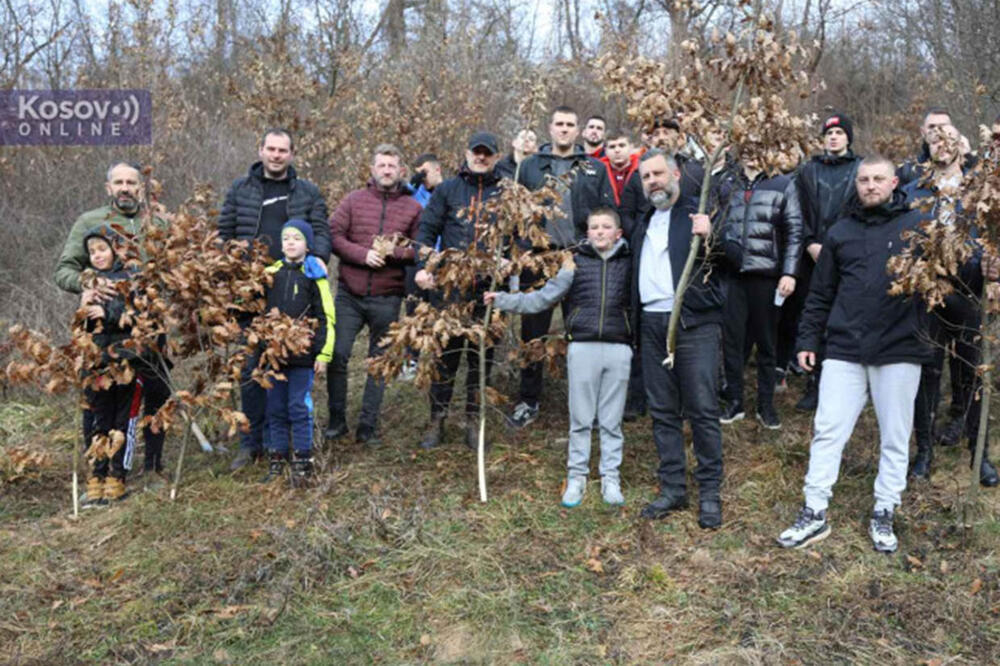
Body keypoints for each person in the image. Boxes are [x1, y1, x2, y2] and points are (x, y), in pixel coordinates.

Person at [777, 156, 932, 553]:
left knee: (895, 436)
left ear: (894, 182)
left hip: (899, 348)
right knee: (828, 430)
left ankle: (885, 510)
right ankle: (814, 511)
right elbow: (821, 293)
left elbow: (944, 282)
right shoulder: (840, 232)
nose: (870, 186)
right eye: (863, 179)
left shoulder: (917, 227)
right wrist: (808, 340)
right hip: (844, 347)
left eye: (878, 179)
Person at [485, 207, 633, 507]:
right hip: (581, 347)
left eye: (606, 227)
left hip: (619, 348)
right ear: (587, 233)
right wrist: (503, 300)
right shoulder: (573, 263)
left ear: (618, 233)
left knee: (611, 419)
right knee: (580, 418)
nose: (600, 232)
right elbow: (542, 297)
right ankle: (576, 477)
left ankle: (610, 477)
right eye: (594, 227)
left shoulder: (631, 263)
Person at [218, 128, 331, 471]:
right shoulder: (241, 189)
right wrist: (231, 270)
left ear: (292, 154)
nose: (277, 155)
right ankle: (251, 442)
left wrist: (320, 257)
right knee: (252, 368)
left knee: (290, 367)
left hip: (294, 288)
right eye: (271, 149)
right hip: (251, 292)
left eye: (283, 150)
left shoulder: (306, 191)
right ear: (261, 150)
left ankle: (284, 441)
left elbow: (322, 230)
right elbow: (224, 233)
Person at [54, 161, 171, 484]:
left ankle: (153, 467)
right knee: (99, 398)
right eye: (118, 182)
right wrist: (88, 284)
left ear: (140, 188)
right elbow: (64, 270)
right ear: (108, 188)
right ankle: (100, 470)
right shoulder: (90, 222)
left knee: (156, 393)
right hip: (103, 331)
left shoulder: (158, 222)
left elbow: (176, 268)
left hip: (149, 324)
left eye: (131, 182)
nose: (124, 188)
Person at [633, 149, 726, 529]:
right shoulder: (643, 222)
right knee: (662, 411)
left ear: (674, 174)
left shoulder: (698, 214)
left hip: (693, 324)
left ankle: (709, 493)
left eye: (658, 173)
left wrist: (711, 235)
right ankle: (673, 488)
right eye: (645, 177)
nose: (652, 181)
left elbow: (734, 258)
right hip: (651, 323)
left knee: (702, 409)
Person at [509, 105, 616, 429]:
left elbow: (608, 211)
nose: (565, 129)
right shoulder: (529, 166)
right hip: (539, 261)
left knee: (583, 333)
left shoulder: (593, 167)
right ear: (550, 128)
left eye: (571, 124)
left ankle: (587, 404)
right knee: (533, 332)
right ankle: (528, 399)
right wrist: (520, 255)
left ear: (579, 129)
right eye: (560, 124)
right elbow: (515, 213)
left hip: (579, 259)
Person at [905, 125, 998, 486]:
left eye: (949, 140)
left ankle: (980, 456)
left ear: (962, 145)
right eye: (933, 140)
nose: (941, 146)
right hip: (927, 295)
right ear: (927, 147)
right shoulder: (913, 191)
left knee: (975, 375)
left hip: (971, 292)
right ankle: (924, 452)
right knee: (927, 374)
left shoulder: (981, 192)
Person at [326, 144, 422, 444]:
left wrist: (393, 252)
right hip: (349, 294)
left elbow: (420, 249)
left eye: (392, 166)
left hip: (387, 296)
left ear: (401, 171)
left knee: (378, 362)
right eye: (381, 165)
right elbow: (333, 235)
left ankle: (368, 426)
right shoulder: (354, 200)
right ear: (372, 169)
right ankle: (337, 420)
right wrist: (362, 255)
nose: (386, 171)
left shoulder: (413, 208)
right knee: (338, 355)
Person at [413, 131, 504, 450]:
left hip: (489, 292)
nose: (481, 157)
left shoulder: (507, 192)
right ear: (466, 154)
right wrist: (423, 267)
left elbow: (521, 235)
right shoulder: (449, 190)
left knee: (481, 360)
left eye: (487, 153)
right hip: (449, 290)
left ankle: (473, 423)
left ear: (496, 156)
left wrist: (509, 260)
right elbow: (426, 230)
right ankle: (437, 421)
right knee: (445, 359)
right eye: (476, 152)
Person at [783, 112, 862, 410]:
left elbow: (860, 209)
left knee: (843, 319)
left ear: (848, 138)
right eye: (829, 133)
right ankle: (813, 383)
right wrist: (809, 242)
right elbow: (796, 211)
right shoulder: (807, 171)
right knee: (812, 316)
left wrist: (837, 245)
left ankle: (842, 384)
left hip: (846, 254)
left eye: (840, 132)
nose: (833, 137)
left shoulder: (859, 169)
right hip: (811, 256)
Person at [718, 156, 803, 429]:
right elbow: (717, 223)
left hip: (766, 276)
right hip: (732, 274)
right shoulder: (727, 182)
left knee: (767, 344)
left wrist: (789, 272)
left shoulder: (782, 183)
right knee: (731, 343)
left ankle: (765, 406)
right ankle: (734, 402)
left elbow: (794, 230)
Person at [259, 220, 335, 484]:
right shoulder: (270, 273)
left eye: (297, 238)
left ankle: (303, 459)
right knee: (275, 407)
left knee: (298, 405)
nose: (291, 242)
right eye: (286, 238)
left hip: (304, 357)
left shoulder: (314, 274)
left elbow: (327, 317)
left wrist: (323, 355)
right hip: (274, 356)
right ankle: (278, 457)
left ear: (308, 244)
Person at [77, 226, 146, 506]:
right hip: (96, 363)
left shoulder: (130, 278)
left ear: (115, 249)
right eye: (92, 251)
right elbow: (81, 326)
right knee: (98, 419)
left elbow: (139, 315)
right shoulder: (89, 282)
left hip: (124, 359)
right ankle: (96, 477)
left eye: (102, 249)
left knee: (123, 420)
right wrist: (83, 309)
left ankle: (117, 477)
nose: (97, 255)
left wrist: (108, 312)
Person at [897, 108, 976, 186]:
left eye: (942, 126)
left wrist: (968, 158)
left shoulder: (973, 164)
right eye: (931, 127)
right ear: (923, 132)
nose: (937, 131)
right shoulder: (908, 171)